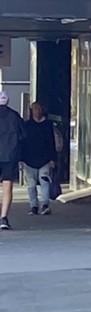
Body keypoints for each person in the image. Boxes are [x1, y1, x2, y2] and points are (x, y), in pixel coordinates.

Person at [22, 102, 58, 216]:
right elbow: (22, 143)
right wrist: (21, 159)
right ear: (31, 111)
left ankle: (45, 205)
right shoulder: (26, 125)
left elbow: (52, 143)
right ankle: (34, 206)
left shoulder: (48, 125)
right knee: (31, 185)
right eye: (34, 109)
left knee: (44, 183)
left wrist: (52, 159)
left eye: (38, 109)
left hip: (44, 160)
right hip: (29, 160)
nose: (37, 111)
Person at [0, 91, 24, 231]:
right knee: (7, 187)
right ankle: (3, 218)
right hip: (10, 156)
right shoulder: (15, 116)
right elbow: (23, 136)